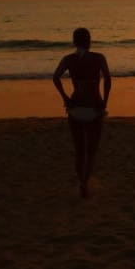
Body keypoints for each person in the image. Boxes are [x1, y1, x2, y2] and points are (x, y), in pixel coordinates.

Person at [53, 27, 111, 198]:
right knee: (91, 150)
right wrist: (105, 103)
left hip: (75, 107)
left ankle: (81, 182)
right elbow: (108, 80)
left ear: (74, 41)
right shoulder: (99, 58)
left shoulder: (68, 59)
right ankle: (85, 182)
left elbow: (56, 77)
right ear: (89, 41)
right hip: (94, 107)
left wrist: (65, 97)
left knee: (79, 150)